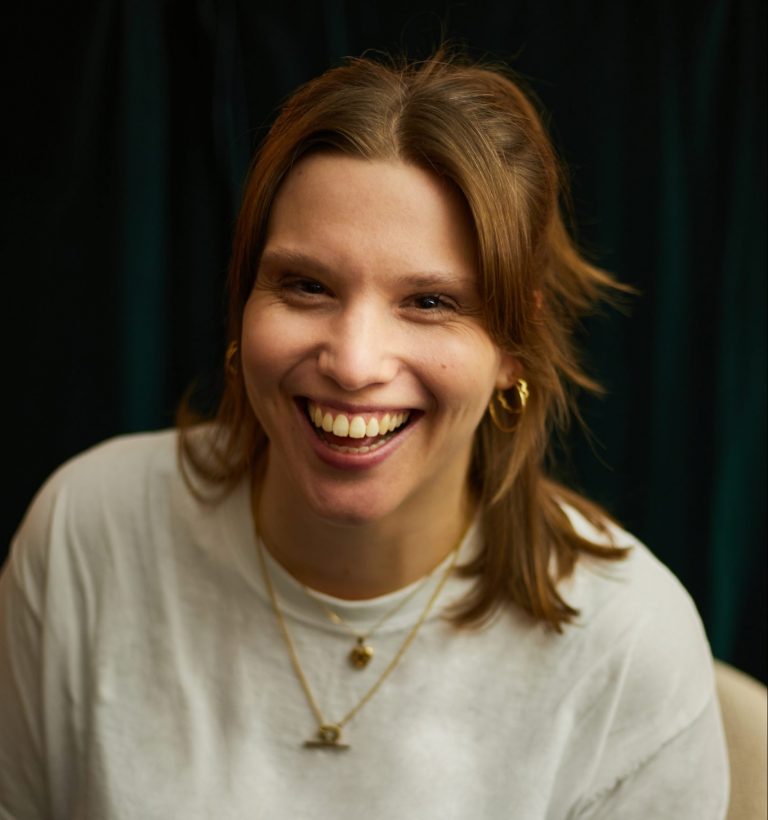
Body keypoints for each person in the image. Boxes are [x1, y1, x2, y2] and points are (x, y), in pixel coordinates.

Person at [0, 52, 728, 819]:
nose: (353, 364)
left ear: (515, 339)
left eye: (430, 301)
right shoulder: (87, 530)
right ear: (245, 304)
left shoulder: (630, 648)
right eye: (306, 286)